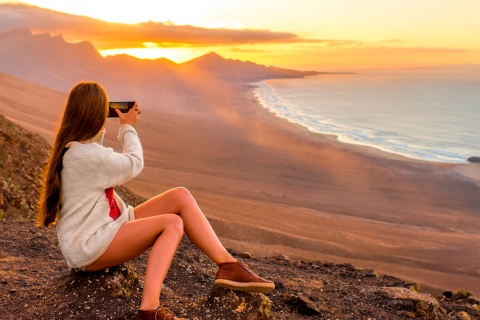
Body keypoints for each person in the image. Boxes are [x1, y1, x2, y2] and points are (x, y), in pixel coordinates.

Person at [37, 82, 275, 320]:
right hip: (90, 246)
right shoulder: (86, 156)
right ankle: (149, 310)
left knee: (180, 195)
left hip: (107, 227)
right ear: (94, 114)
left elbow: (99, 156)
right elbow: (133, 163)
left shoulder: (79, 150)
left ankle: (228, 267)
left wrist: (101, 129)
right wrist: (127, 128)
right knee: (171, 224)